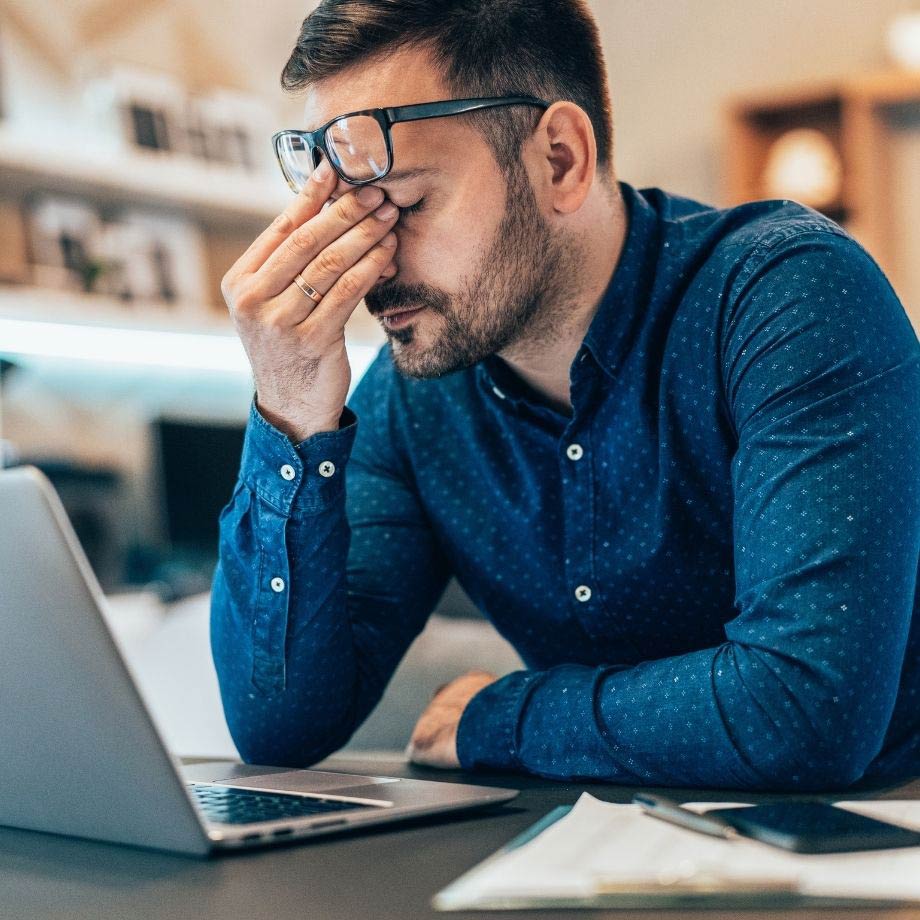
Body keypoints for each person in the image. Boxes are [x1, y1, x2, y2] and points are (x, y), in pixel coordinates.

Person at [211, 0, 920, 791]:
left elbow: (804, 712)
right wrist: (289, 406)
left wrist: (504, 716)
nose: (371, 265)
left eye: (404, 204)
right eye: (347, 218)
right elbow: (278, 727)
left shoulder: (788, 300)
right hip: (588, 867)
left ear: (559, 159)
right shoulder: (417, 397)